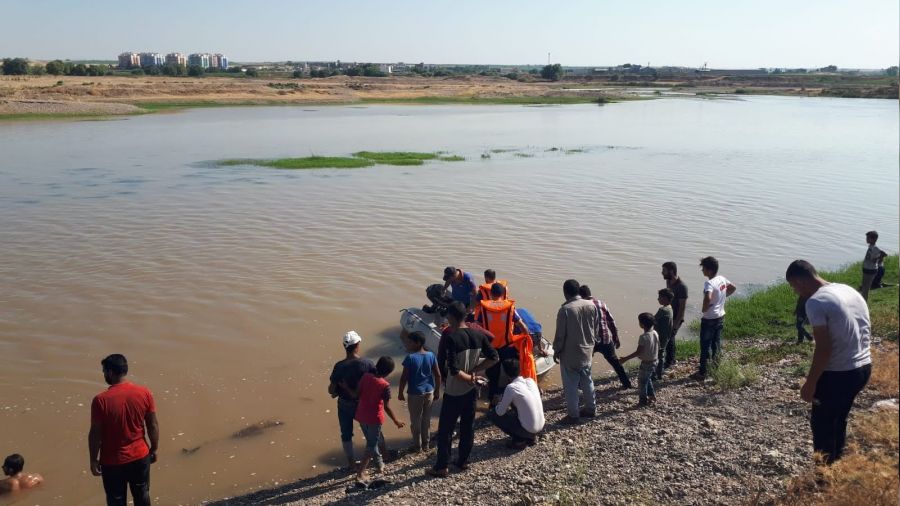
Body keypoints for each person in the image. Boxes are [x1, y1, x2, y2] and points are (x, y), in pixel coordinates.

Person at [786, 260, 872, 464]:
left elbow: (824, 349)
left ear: (800, 281)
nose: (796, 292)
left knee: (823, 426)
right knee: (839, 420)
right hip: (863, 367)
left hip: (838, 374)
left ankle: (823, 480)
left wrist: (810, 383)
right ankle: (837, 467)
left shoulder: (815, 302)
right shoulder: (847, 289)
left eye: (794, 287)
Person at [427, 302, 499, 478]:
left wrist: (470, 377)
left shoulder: (452, 337)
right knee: (468, 427)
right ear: (465, 316)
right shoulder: (477, 334)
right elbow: (494, 357)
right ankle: (463, 460)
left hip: (454, 391)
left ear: (451, 317)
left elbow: (453, 370)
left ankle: (442, 466)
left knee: (445, 430)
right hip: (471, 392)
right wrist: (475, 372)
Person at [89, 354, 159, 506]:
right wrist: (154, 448)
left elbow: (95, 434)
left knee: (116, 499)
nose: (104, 375)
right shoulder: (144, 392)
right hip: (140, 456)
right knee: (142, 494)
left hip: (112, 461)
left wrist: (93, 459)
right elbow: (152, 424)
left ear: (110, 372)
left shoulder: (100, 400)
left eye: (104, 371)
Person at [477, 283, 537, 402]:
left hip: (491, 347)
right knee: (512, 370)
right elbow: (522, 326)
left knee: (492, 374)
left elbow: (478, 326)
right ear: (503, 294)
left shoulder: (484, 308)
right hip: (507, 346)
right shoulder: (510, 308)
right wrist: (526, 336)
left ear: (491, 294)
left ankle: (492, 398)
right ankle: (515, 397)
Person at [350, 356, 405, 482]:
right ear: (389, 372)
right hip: (374, 418)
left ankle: (380, 462)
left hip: (361, 415)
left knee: (374, 438)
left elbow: (356, 394)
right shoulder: (385, 385)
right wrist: (396, 421)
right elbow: (387, 407)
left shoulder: (365, 377)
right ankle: (360, 473)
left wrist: (346, 387)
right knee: (371, 444)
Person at [328, 331, 377, 469]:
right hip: (363, 404)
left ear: (345, 346)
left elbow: (331, 390)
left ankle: (351, 463)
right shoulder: (368, 364)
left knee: (346, 433)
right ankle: (376, 459)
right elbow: (375, 384)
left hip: (344, 404)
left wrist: (338, 389)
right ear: (357, 345)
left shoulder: (339, 366)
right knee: (370, 431)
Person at [553, 279, 599, 422]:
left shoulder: (565, 310)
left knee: (571, 386)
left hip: (571, 354)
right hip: (587, 351)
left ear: (565, 293)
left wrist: (556, 351)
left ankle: (573, 415)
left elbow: (560, 335)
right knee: (587, 380)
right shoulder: (591, 305)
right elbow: (595, 329)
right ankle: (591, 409)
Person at [579, 285, 632, 389]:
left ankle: (582, 385)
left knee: (585, 363)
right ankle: (626, 383)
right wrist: (616, 338)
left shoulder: (582, 307)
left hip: (591, 342)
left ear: (581, 296)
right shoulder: (601, 303)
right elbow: (611, 322)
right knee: (615, 362)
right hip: (606, 339)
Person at [693, 257, 737, 380]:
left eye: (704, 268)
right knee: (716, 344)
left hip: (709, 319)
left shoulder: (709, 283)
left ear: (710, 270)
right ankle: (716, 368)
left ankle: (702, 373)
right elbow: (733, 287)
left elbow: (708, 296)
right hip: (720, 316)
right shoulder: (721, 279)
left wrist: (704, 308)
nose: (702, 270)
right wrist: (722, 298)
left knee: (705, 346)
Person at [398, 331, 441, 452]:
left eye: (410, 342)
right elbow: (438, 375)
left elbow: (403, 378)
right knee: (426, 419)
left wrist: (400, 393)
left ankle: (417, 446)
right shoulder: (431, 355)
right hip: (429, 391)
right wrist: (437, 391)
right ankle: (426, 444)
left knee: (415, 420)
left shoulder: (410, 358)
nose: (408, 344)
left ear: (418, 343)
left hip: (415, 393)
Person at [491, 357, 545, 450]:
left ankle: (520, 440)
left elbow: (500, 412)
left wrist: (497, 402)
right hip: (541, 425)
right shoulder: (530, 381)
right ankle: (530, 436)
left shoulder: (511, 387)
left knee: (493, 414)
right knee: (517, 407)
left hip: (531, 428)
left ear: (505, 373)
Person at [619, 313, 660, 408]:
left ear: (642, 324)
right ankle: (651, 396)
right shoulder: (655, 333)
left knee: (641, 383)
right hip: (655, 361)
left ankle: (643, 401)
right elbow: (658, 346)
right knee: (647, 379)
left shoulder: (643, 337)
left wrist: (625, 359)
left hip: (646, 363)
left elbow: (638, 352)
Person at [661, 262, 688, 368]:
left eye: (664, 271)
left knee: (670, 338)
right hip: (669, 315)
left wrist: (676, 324)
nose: (662, 273)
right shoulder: (668, 281)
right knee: (667, 338)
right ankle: (668, 359)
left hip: (676, 317)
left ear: (671, 271)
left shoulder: (682, 287)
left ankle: (670, 362)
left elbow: (682, 308)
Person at [860, 230, 888, 301]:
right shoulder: (870, 247)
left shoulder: (875, 248)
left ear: (874, 239)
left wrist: (878, 258)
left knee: (866, 288)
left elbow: (884, 254)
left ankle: (865, 302)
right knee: (864, 287)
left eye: (868, 238)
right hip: (866, 268)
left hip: (871, 270)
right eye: (867, 238)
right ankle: (863, 300)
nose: (866, 239)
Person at [654, 289, 674, 380]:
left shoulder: (663, 310)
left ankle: (656, 374)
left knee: (657, 355)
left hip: (660, 336)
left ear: (665, 298)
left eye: (659, 297)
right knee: (661, 355)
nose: (658, 299)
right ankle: (659, 374)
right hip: (666, 336)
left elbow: (653, 320)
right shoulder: (670, 308)